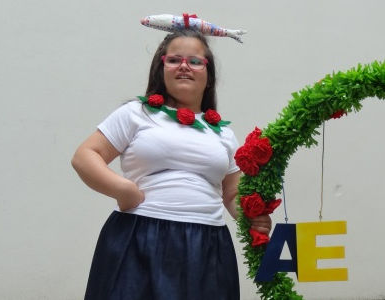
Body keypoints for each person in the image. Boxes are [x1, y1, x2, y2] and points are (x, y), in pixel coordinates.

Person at [71, 30, 271, 299]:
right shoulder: (136, 114)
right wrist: (123, 190)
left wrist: (252, 218)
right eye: (174, 60)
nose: (185, 66)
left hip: (208, 245)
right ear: (161, 68)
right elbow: (85, 156)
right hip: (139, 237)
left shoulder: (223, 133)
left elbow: (232, 193)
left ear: (208, 74)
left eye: (195, 61)